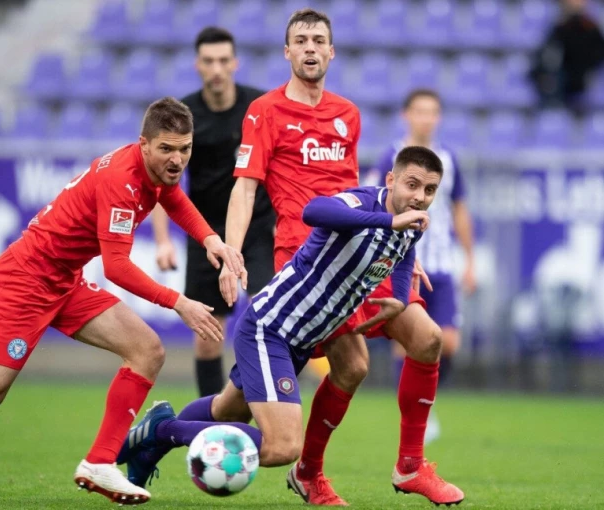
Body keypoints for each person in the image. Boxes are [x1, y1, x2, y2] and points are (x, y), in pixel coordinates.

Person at [0, 97, 246, 509]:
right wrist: (179, 302)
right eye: (167, 149)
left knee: (147, 350)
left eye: (184, 148)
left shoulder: (153, 170)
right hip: (24, 282)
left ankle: (99, 462)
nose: (177, 159)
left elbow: (170, 196)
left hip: (64, 281)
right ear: (143, 143)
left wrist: (211, 239)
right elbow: (118, 268)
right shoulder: (121, 180)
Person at [213, 8, 462, 506]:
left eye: (318, 40)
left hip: (362, 251)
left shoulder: (347, 114)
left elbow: (354, 193)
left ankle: (410, 467)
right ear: (287, 51)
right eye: (301, 39)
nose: (310, 47)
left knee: (428, 339)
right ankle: (178, 433)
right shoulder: (264, 111)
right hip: (307, 261)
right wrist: (230, 252)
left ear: (331, 51)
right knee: (264, 395)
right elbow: (245, 188)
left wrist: (396, 251)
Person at [118, 148, 452, 496]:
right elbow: (315, 210)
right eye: (412, 185)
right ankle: (162, 430)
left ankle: (151, 446)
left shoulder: (412, 223)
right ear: (391, 180)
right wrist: (387, 222)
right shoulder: (364, 203)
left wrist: (400, 298)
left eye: (429, 190)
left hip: (299, 340)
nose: (419, 197)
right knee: (282, 447)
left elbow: (404, 252)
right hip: (271, 330)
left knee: (225, 411)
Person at [152, 27, 275, 398]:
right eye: (209, 61)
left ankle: (272, 406)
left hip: (258, 229)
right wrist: (162, 241)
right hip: (206, 234)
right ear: (198, 65)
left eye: (223, 60)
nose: (217, 69)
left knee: (269, 320)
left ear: (235, 63)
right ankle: (210, 420)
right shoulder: (183, 117)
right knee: (208, 337)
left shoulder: (260, 108)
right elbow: (161, 183)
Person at [366, 88, 476, 445]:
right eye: (420, 111)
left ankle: (422, 404)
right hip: (405, 260)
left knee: (450, 342)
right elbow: (374, 202)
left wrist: (470, 259)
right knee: (409, 340)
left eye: (432, 112)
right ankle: (414, 418)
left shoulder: (449, 159)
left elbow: (459, 209)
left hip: (442, 263)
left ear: (438, 117)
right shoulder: (392, 156)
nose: (426, 118)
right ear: (407, 115)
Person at [529, 0, 604, 110]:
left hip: (581, 82)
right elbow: (545, 61)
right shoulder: (557, 29)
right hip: (561, 85)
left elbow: (596, 56)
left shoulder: (590, 29)